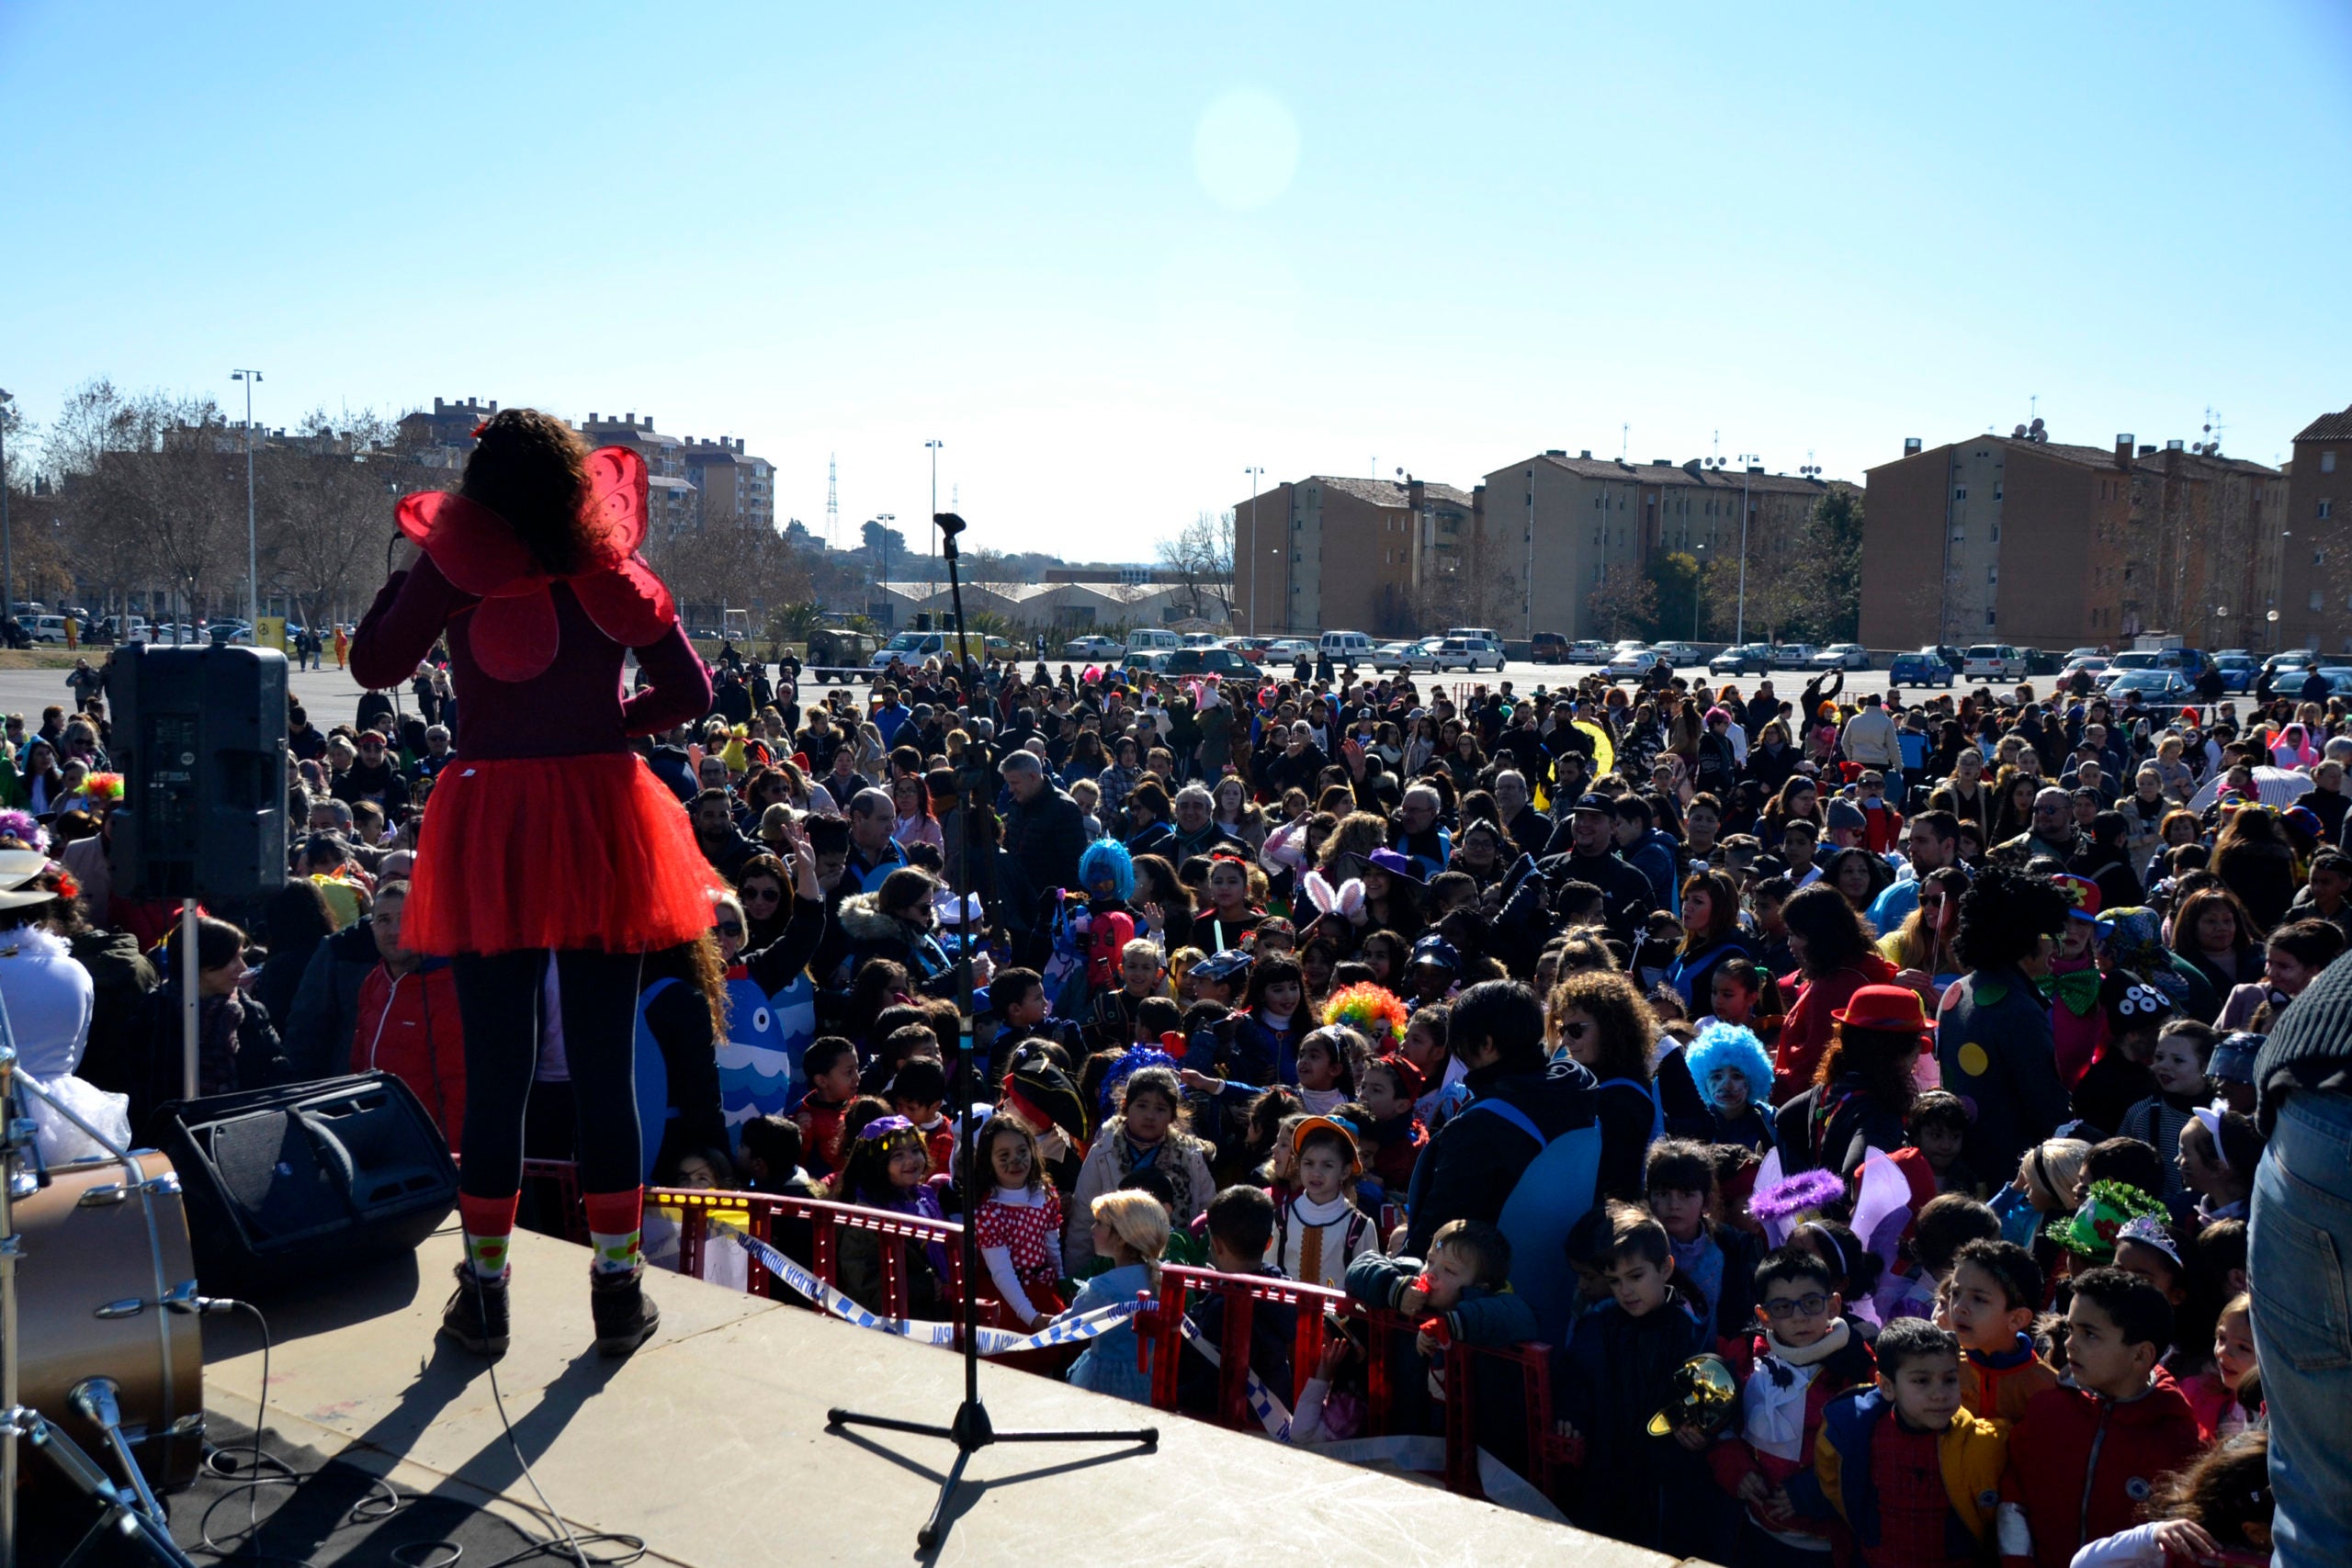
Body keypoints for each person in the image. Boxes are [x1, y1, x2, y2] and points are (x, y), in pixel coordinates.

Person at [353, 409, 715, 1359]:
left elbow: (374, 664)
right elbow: (692, 692)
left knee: (498, 1073)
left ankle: (485, 1294)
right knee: (604, 1066)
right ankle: (618, 1291)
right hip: (600, 816)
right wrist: (611, 730)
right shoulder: (608, 568)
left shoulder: (454, 568)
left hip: (492, 822)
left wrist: (404, 579)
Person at [1996, 1267, 2201, 1568]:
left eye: (2089, 1334)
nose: (2070, 1343)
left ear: (2140, 1355)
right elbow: (2014, 1501)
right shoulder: (2046, 1412)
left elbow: (2177, 1541)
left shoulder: (2177, 1436)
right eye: (2071, 1329)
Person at [1807, 1319, 2008, 1568]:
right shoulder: (1857, 1433)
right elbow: (1834, 1483)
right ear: (1887, 1386)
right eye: (1922, 1381)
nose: (1940, 1394)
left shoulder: (1981, 1443)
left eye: (1949, 1379)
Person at [1937, 864, 2071, 1183]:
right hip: (2012, 1176)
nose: (2056, 946)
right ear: (2022, 938)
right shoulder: (2018, 1009)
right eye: (2049, 935)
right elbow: (2046, 1108)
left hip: (1963, 1166)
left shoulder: (1957, 991)